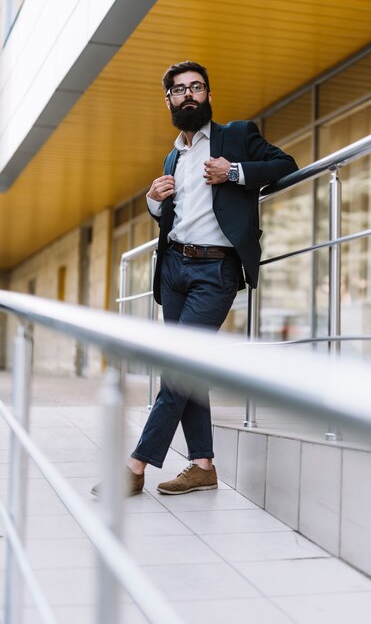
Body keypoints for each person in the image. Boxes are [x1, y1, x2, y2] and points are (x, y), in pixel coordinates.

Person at [92, 60, 297, 498]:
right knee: (190, 370)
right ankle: (202, 465)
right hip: (174, 270)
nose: (189, 95)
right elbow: (172, 220)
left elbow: (284, 163)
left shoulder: (236, 135)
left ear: (207, 94)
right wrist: (152, 201)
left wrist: (234, 172)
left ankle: (135, 466)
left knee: (179, 369)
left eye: (197, 88)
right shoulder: (174, 155)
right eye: (180, 90)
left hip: (216, 270)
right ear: (168, 99)